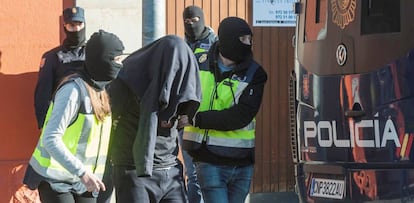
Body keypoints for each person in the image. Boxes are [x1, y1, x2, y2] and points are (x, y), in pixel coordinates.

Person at [23, 30, 125, 203]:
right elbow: (50, 138)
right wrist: (82, 172)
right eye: (116, 60)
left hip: (84, 180)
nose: (120, 65)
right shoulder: (72, 91)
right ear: (102, 60)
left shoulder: (103, 92)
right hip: (55, 178)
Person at [180, 17, 268, 203]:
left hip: (242, 162)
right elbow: (179, 94)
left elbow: (241, 116)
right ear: (228, 39)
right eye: (243, 39)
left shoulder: (255, 73)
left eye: (250, 40)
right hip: (208, 159)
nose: (248, 44)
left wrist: (196, 119)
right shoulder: (197, 63)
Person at [108, 35, 201, 203]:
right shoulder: (128, 80)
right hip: (133, 171)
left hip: (170, 169)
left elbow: (185, 98)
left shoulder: (177, 80)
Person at [182, 5, 218, 203]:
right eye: (187, 22)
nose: (191, 25)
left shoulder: (216, 45)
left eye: (195, 21)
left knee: (210, 173)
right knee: (193, 174)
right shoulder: (181, 47)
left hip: (210, 120)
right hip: (186, 120)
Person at [34, 6, 87, 129]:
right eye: (72, 25)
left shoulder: (94, 54)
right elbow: (43, 93)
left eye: (79, 24)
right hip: (63, 120)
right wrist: (43, 124)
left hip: (89, 117)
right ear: (65, 26)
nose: (76, 29)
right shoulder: (52, 57)